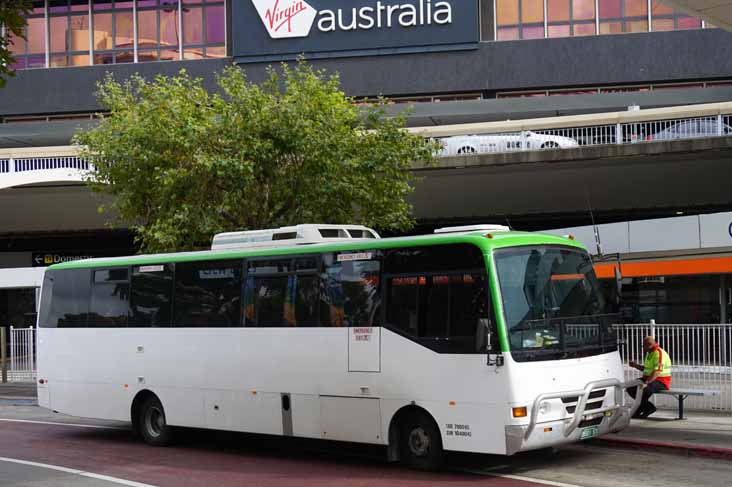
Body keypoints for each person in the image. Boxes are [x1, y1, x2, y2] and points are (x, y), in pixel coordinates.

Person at [627, 336, 672, 419]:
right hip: (650, 378)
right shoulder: (650, 353)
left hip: (661, 381)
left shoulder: (659, 353)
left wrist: (646, 383)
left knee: (644, 390)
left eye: (643, 346)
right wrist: (636, 366)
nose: (643, 348)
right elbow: (647, 369)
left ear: (649, 345)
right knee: (630, 387)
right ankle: (648, 407)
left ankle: (640, 410)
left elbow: (657, 371)